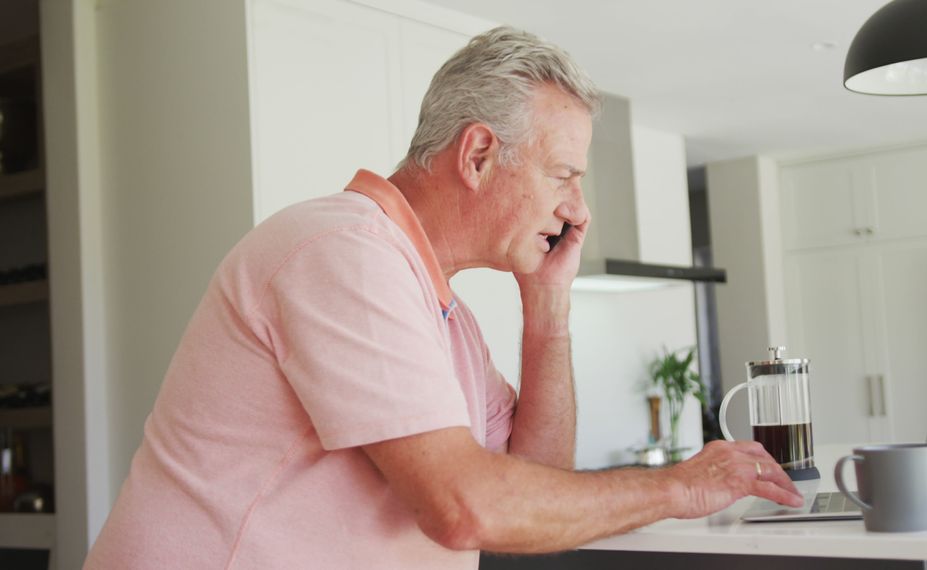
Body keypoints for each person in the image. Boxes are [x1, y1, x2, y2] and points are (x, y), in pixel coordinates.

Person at [84, 26, 801, 569]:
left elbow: (532, 490)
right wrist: (680, 488)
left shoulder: (437, 311)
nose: (578, 210)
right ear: (479, 155)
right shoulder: (343, 250)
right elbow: (466, 508)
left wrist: (547, 309)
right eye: (563, 176)